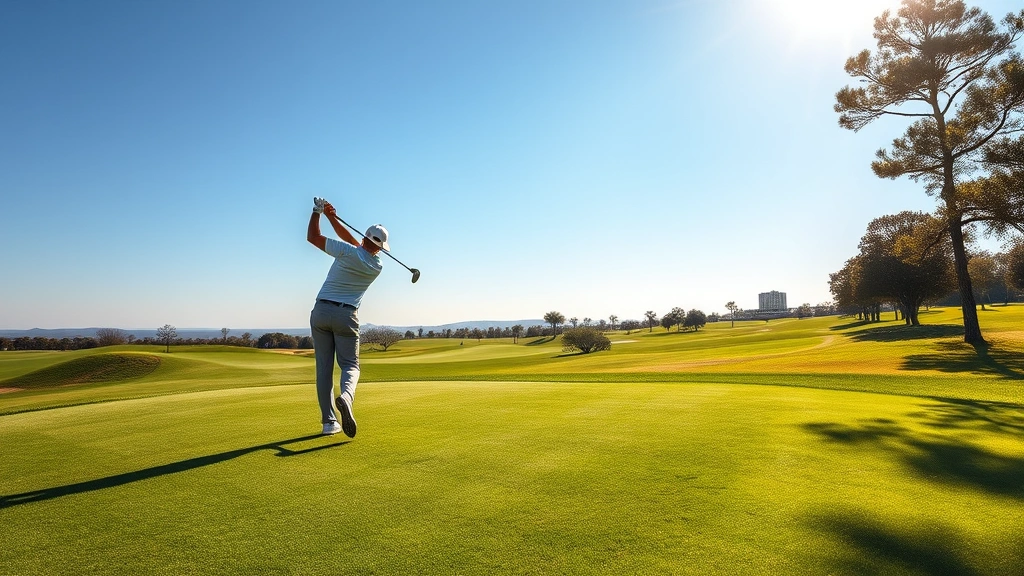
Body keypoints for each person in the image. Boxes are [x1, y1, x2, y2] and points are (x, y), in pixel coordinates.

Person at [306, 197, 389, 437]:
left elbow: (313, 237)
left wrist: (317, 213)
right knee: (351, 365)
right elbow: (355, 244)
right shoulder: (377, 266)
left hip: (321, 311)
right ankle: (346, 398)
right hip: (346, 315)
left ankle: (328, 423)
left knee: (324, 369)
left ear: (363, 238)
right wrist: (332, 216)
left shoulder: (346, 251)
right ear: (381, 248)